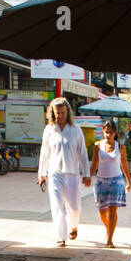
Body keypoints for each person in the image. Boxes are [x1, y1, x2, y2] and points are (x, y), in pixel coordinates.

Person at [38, 97, 91, 245]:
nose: (60, 115)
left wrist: (86, 174)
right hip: (54, 173)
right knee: (57, 206)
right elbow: (44, 153)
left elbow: (83, 154)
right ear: (53, 113)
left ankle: (73, 226)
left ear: (67, 111)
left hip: (72, 174)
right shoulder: (49, 129)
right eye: (57, 113)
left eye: (62, 112)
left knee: (74, 208)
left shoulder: (76, 130)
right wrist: (42, 173)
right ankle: (61, 237)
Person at [90, 118, 131, 248]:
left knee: (113, 210)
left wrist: (129, 181)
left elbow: (124, 164)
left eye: (111, 132)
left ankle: (110, 239)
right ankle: (109, 228)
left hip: (116, 181)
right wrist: (87, 177)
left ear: (115, 133)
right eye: (106, 132)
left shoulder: (121, 148)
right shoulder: (98, 146)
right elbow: (94, 163)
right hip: (101, 181)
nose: (108, 135)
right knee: (102, 211)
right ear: (103, 131)